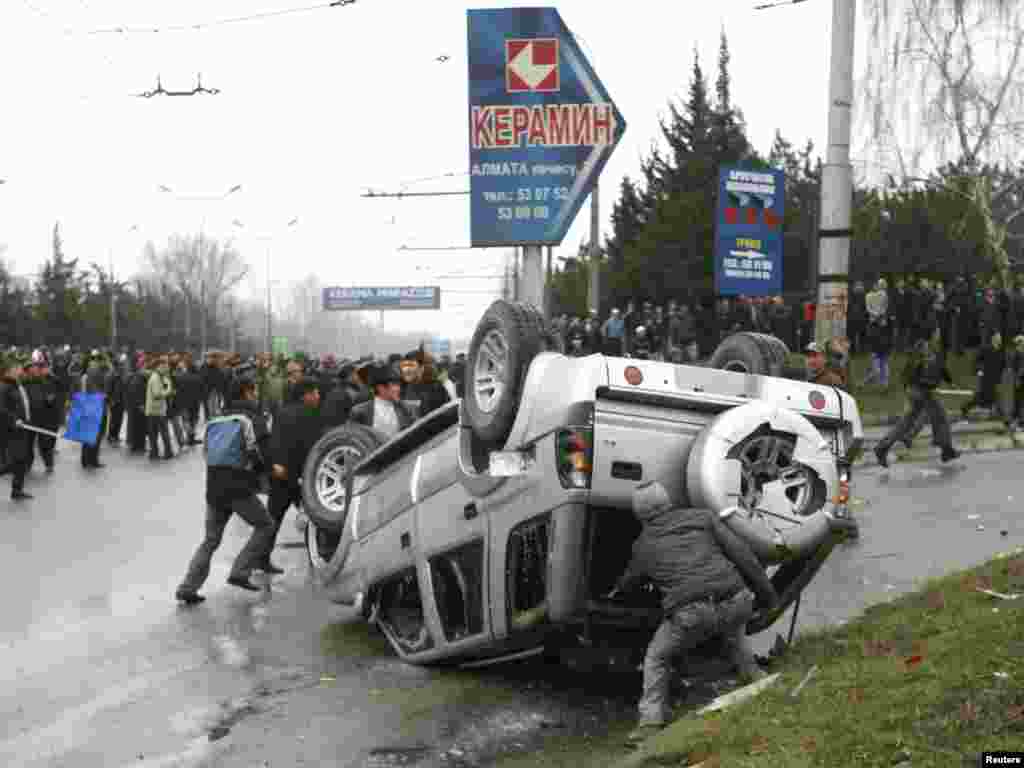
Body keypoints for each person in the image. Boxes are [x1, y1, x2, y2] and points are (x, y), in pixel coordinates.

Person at [609, 481, 777, 746]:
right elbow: (744, 555)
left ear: (639, 514)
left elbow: (630, 582)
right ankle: (755, 676)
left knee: (656, 657)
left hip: (692, 614)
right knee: (733, 629)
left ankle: (650, 723)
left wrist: (616, 589)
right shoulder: (703, 518)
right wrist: (768, 596)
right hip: (736, 599)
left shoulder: (643, 544)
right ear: (669, 501)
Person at [176, 377, 275, 604]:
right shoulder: (246, 420)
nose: (255, 395)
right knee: (266, 525)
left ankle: (187, 587)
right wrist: (263, 471)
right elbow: (256, 453)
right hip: (238, 486)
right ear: (247, 393)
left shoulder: (213, 421)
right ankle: (240, 570)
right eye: (253, 391)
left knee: (210, 540)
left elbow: (207, 454)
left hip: (214, 487)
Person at [264, 378, 325, 573]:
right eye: (315, 392)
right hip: (303, 475)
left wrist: (277, 465)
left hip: (282, 475)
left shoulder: (282, 412)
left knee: (272, 519)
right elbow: (313, 445)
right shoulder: (312, 414)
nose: (318, 396)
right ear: (305, 395)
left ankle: (260, 558)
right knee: (313, 519)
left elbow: (276, 441)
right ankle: (315, 558)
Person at [874, 339, 960, 467]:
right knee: (940, 416)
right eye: (926, 347)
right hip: (920, 392)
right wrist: (930, 387)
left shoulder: (929, 356)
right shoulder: (920, 360)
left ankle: (882, 448)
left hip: (919, 391)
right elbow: (918, 379)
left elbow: (940, 369)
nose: (928, 349)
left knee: (907, 422)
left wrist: (948, 382)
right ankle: (945, 449)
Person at [0, 354, 36, 500]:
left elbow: (23, 404)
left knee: (21, 460)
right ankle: (16, 489)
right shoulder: (3, 387)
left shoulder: (17, 384)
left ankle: (17, 490)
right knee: (13, 461)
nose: (20, 370)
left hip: (23, 427)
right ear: (8, 371)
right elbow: (1, 409)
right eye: (16, 369)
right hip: (12, 429)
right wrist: (14, 420)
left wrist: (27, 420)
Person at [349, 364, 416, 439]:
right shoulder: (359, 412)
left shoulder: (406, 409)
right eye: (394, 385)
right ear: (381, 388)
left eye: (398, 385)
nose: (398, 389)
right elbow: (354, 440)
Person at [961, 331, 1010, 425]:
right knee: (988, 398)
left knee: (989, 398)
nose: (999, 339)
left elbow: (1003, 364)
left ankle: (1004, 419)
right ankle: (1005, 420)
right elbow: (976, 360)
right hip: (986, 378)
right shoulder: (986, 349)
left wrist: (1005, 370)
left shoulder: (1000, 351)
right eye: (997, 337)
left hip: (995, 379)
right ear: (993, 339)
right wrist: (979, 370)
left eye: (1000, 337)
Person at [26, 353, 61, 473]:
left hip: (44, 418)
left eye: (41, 366)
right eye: (36, 366)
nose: (38, 369)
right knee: (28, 444)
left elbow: (58, 389)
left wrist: (50, 375)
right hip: (30, 418)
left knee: (45, 443)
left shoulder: (49, 380)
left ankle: (49, 464)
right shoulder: (27, 380)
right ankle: (27, 465)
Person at [80, 354, 108, 469]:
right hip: (95, 405)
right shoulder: (95, 371)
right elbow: (94, 389)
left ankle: (87, 460)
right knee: (95, 434)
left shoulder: (91, 370)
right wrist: (101, 396)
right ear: (99, 361)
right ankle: (91, 460)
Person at [145, 356, 175, 460]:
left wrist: (168, 386)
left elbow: (166, 386)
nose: (167, 367)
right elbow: (157, 394)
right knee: (158, 433)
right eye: (165, 365)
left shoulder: (161, 377)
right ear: (159, 366)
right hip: (155, 410)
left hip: (158, 410)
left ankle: (159, 452)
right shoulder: (155, 378)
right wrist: (168, 391)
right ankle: (160, 452)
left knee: (157, 433)